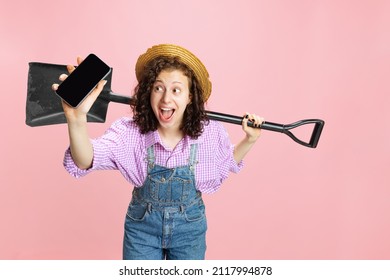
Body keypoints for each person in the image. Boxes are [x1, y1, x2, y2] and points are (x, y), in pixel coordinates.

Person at [52, 44, 264, 260]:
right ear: (149, 92)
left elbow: (224, 161)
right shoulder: (129, 133)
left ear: (190, 97)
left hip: (189, 231)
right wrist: (76, 120)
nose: (165, 99)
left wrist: (250, 139)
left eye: (176, 90)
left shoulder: (208, 132)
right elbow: (85, 159)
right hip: (141, 231)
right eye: (158, 88)